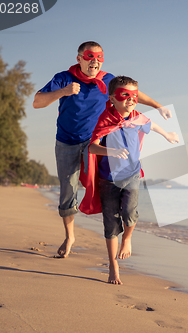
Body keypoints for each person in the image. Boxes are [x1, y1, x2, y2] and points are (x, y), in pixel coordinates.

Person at [33, 41, 171, 258]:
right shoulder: (64, 78)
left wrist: (157, 106)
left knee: (104, 185)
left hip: (95, 143)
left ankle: (120, 230)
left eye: (99, 57)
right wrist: (63, 92)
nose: (95, 61)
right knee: (68, 188)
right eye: (90, 56)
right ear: (79, 59)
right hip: (67, 141)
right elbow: (37, 102)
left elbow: (132, 94)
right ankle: (70, 236)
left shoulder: (108, 80)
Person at [82, 76, 178, 284]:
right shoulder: (105, 119)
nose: (131, 99)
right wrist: (111, 151)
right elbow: (92, 146)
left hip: (133, 174)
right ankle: (113, 266)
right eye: (124, 95)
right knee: (111, 223)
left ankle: (127, 239)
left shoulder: (137, 117)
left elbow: (151, 125)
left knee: (129, 213)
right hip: (109, 179)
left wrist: (167, 135)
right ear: (112, 99)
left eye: (134, 95)